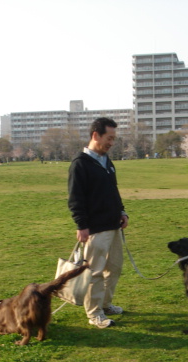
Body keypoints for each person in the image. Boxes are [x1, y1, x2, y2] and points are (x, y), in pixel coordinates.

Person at [68, 117, 129, 328]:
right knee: (94, 272)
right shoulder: (80, 164)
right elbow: (75, 199)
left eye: (114, 138)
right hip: (94, 229)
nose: (112, 142)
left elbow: (113, 190)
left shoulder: (106, 161)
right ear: (96, 135)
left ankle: (105, 303)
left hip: (113, 225)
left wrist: (122, 211)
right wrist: (81, 225)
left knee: (114, 268)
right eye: (109, 138)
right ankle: (95, 314)